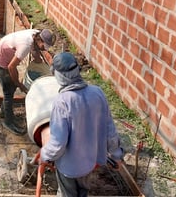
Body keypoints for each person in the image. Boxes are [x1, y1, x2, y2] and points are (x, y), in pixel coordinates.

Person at [39, 52, 123, 197]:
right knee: (83, 192)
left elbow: (58, 144)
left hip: (69, 168)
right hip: (90, 162)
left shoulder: (62, 102)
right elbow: (110, 131)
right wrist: (117, 156)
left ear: (59, 75)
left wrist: (44, 155)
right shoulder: (98, 93)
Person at [0, 28, 55, 135]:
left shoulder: (35, 34)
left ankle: (5, 113)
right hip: (0, 60)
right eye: (44, 47)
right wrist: (19, 84)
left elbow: (35, 51)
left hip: (3, 51)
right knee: (9, 89)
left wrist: (40, 63)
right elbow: (11, 67)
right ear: (40, 40)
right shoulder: (25, 45)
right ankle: (8, 122)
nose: (44, 49)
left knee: (11, 89)